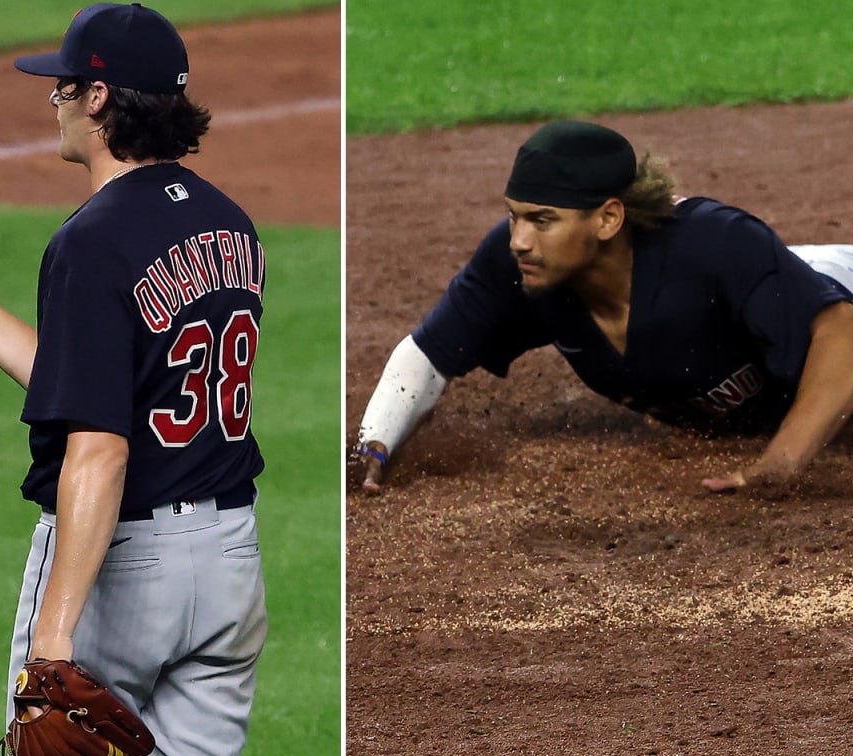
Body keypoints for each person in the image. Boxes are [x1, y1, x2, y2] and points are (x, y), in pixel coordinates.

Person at [0, 4, 268, 756]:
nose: (59, 103)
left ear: (99, 99)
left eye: (64, 87)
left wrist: (52, 640)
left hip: (127, 569)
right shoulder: (230, 224)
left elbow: (101, 445)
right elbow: (110, 380)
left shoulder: (90, 239)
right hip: (230, 556)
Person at [352, 119, 853, 494]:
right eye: (514, 217)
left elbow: (842, 333)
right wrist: (374, 443)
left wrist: (780, 465)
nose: (519, 241)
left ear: (609, 218)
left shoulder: (714, 244)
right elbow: (429, 352)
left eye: (543, 220)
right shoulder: (517, 268)